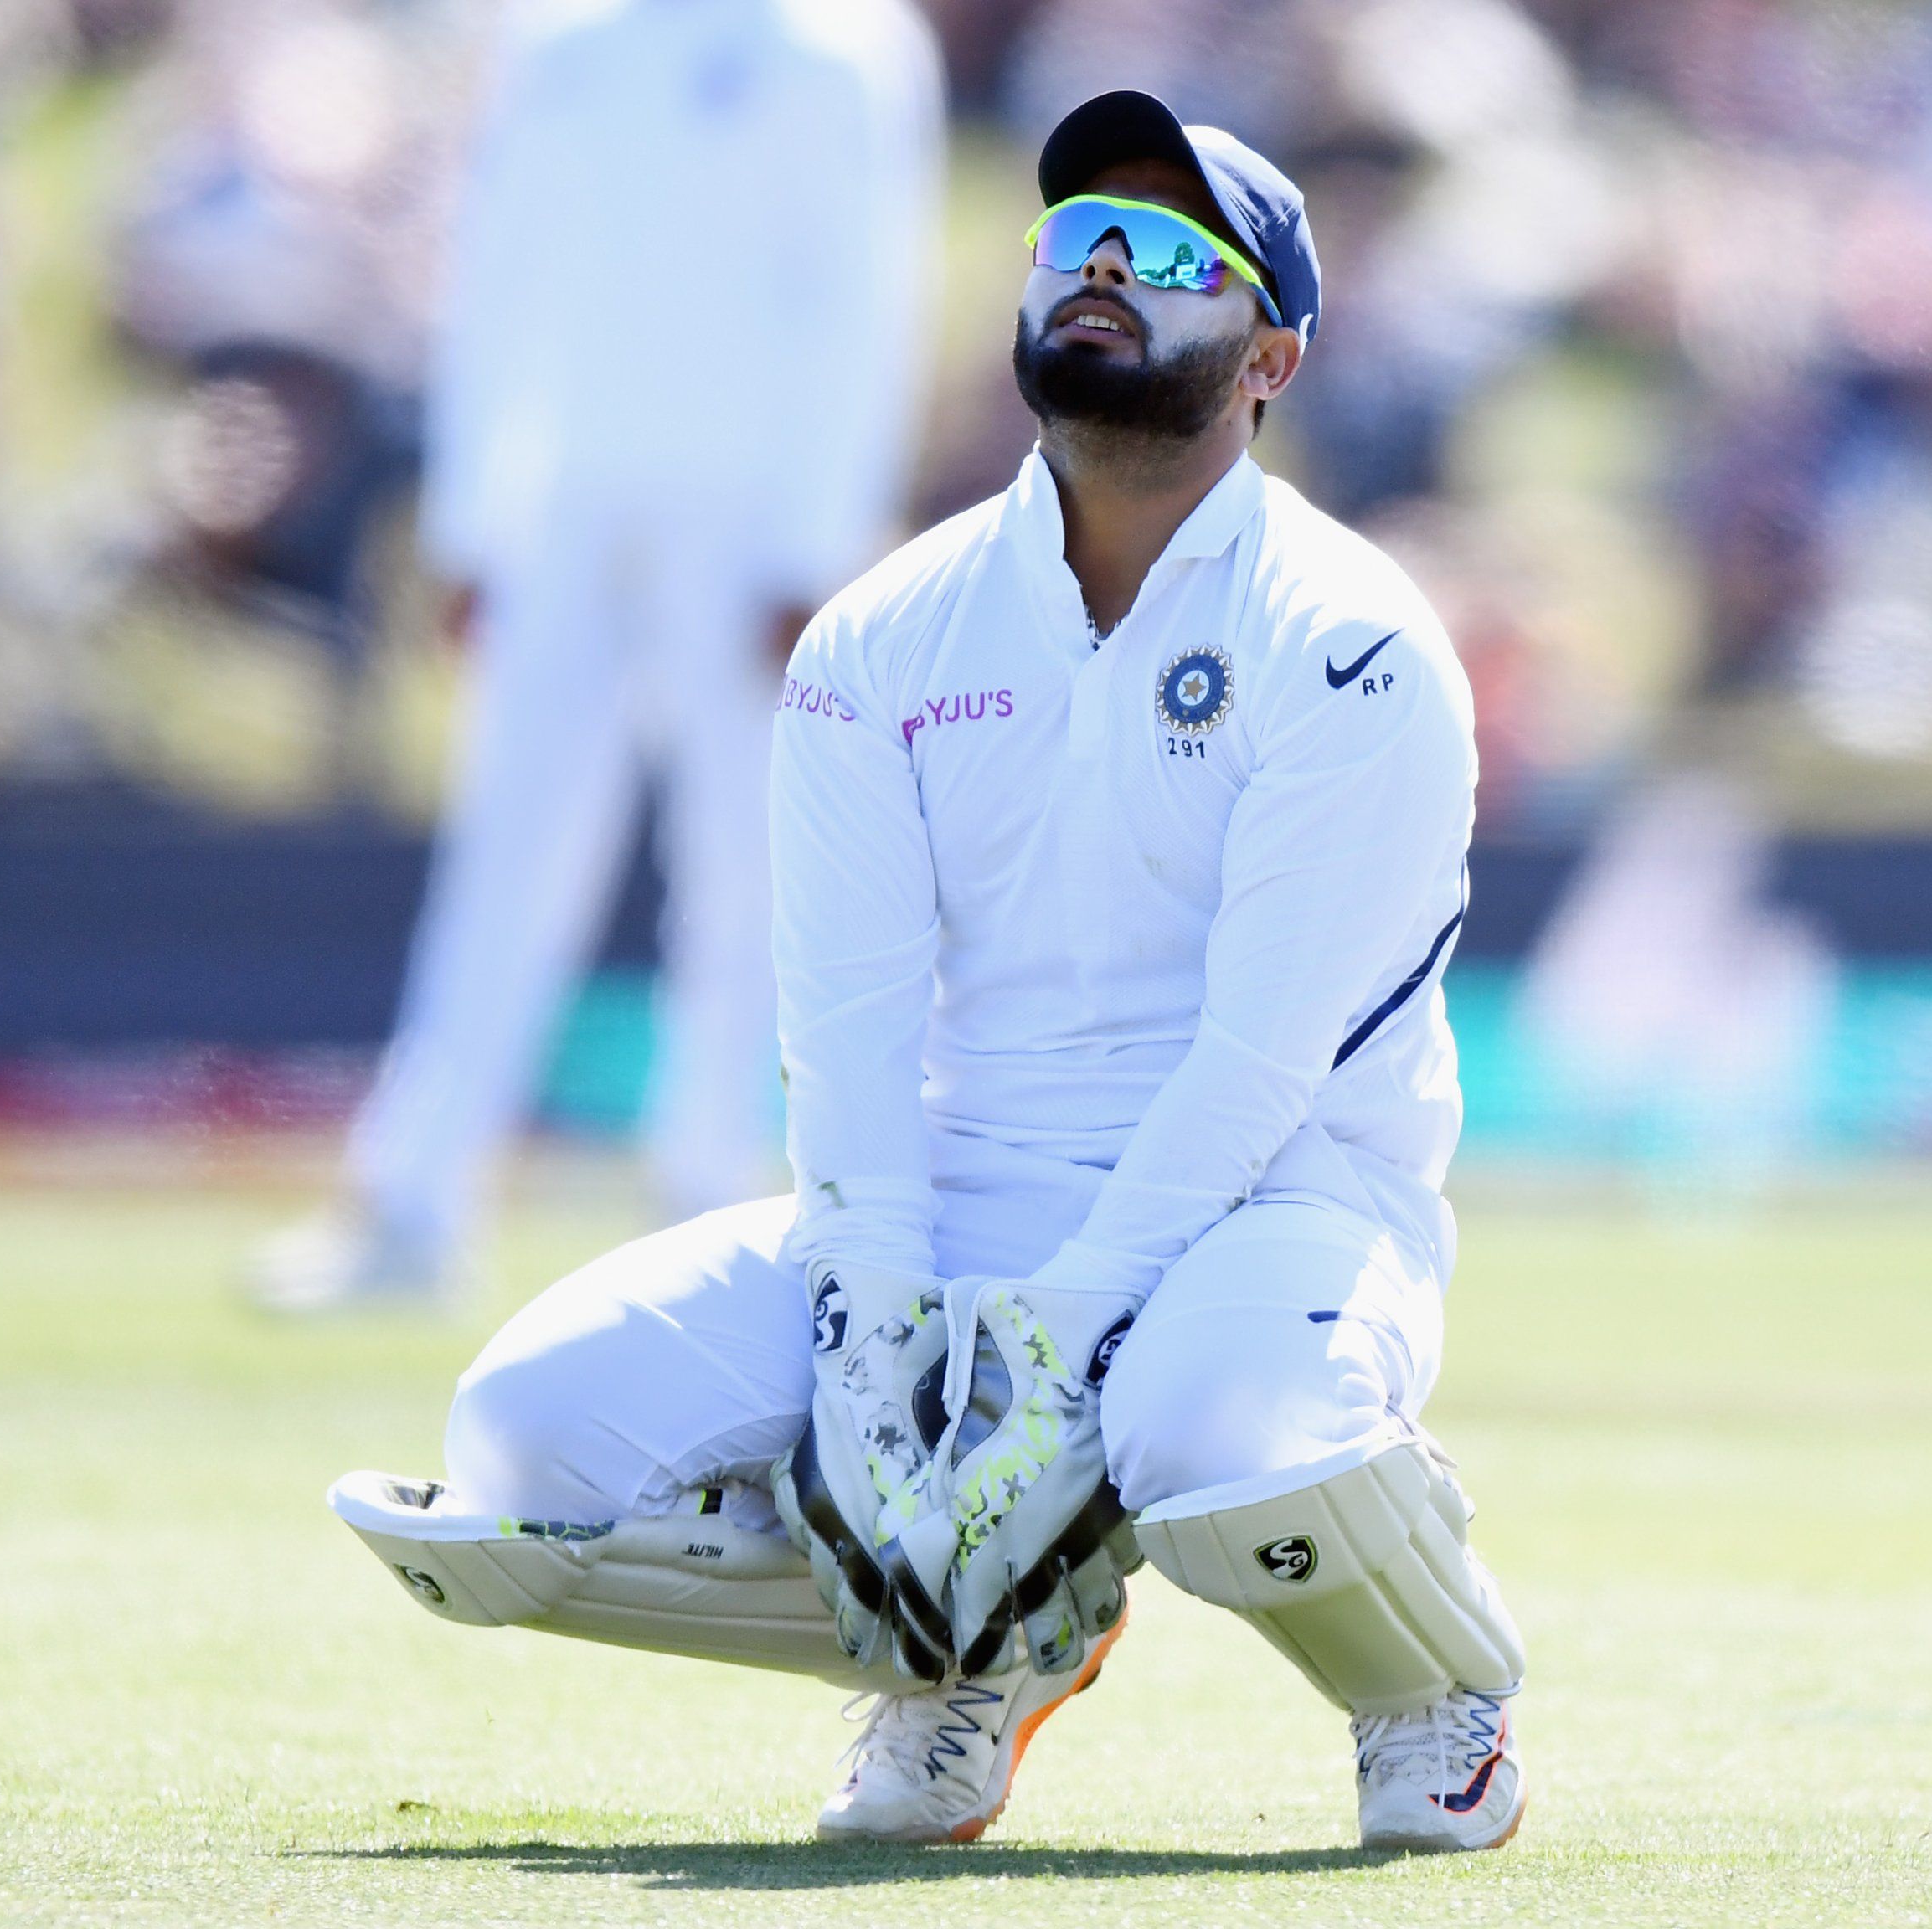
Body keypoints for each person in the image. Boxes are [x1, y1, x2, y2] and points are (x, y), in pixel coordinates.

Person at [328, 90, 1523, 1853]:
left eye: (1170, 254)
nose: (1103, 269)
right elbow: (850, 1035)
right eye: (1071, 243)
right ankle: (973, 1648)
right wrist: (874, 1308)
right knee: (524, 1451)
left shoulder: (1349, 642)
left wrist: (1062, 1327)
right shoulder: (880, 637)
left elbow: (1267, 1053)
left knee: (1219, 1418)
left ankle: (1435, 1696)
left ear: (1269, 355)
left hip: (1279, 1199)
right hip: (964, 1184)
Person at [252, 0, 942, 1306]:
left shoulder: (841, 47)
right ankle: (412, 1202)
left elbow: (861, 293)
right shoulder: (560, 39)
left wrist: (815, 543)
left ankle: (710, 1207)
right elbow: (502, 272)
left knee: (746, 867)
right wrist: (470, 518)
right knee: (507, 848)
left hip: (747, 520)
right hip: (568, 506)